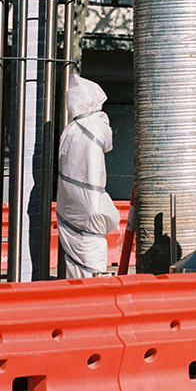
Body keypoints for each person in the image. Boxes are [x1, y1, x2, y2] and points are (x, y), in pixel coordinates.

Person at [55, 75, 120, 278]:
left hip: (69, 205)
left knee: (75, 261)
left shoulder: (69, 130)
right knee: (91, 260)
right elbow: (107, 143)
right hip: (91, 206)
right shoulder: (96, 123)